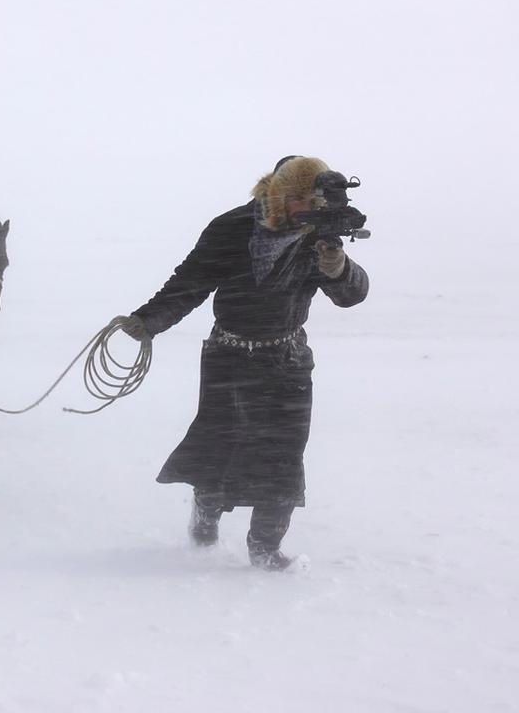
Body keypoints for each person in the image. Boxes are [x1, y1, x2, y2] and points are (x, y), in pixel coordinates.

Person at [121, 156, 369, 570]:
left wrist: (340, 268)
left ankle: (265, 547)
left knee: (283, 456)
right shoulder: (232, 227)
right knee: (217, 447)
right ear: (282, 196)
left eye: (319, 203)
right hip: (228, 357)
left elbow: (350, 296)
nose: (312, 211)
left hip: (287, 361)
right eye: (305, 201)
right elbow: (190, 281)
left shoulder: (320, 236)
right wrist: (150, 319)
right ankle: (205, 522)